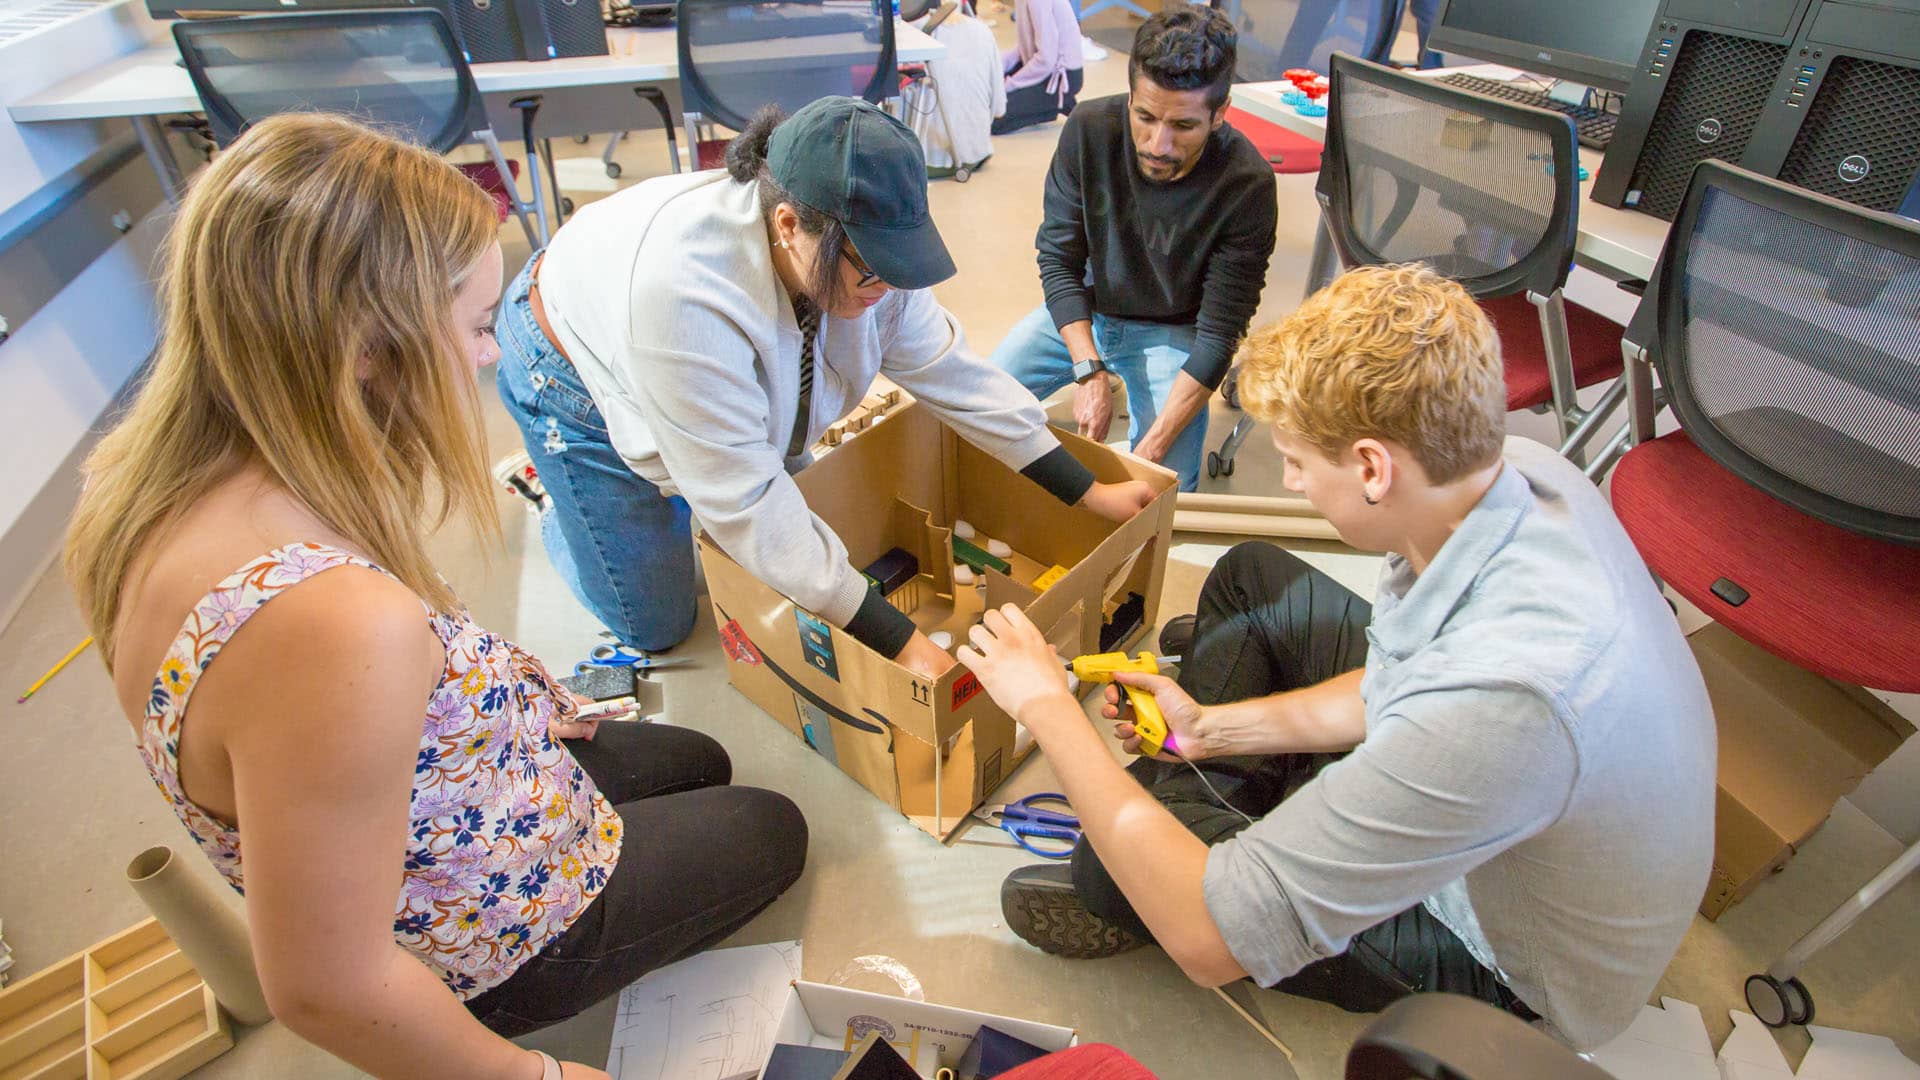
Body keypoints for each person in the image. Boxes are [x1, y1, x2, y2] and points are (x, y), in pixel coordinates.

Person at [64, 113, 808, 1080]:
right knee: (771, 827)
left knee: (699, 758)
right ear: (368, 345)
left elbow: (327, 734)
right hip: (472, 931)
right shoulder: (330, 624)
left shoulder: (149, 481)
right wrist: (530, 1077)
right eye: (469, 324)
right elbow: (325, 985)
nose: (489, 354)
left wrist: (504, 703)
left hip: (434, 804)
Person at [956, 265, 1717, 1050]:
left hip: (1511, 962)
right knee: (1251, 576)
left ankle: (1212, 858)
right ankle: (1246, 819)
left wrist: (1045, 705)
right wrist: (1210, 730)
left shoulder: (1502, 703)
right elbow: (1398, 681)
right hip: (1501, 780)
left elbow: (1202, 938)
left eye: (1295, 460)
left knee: (1122, 873)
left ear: (1371, 468)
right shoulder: (1522, 473)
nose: (1287, 480)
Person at [497, 96, 1153, 673]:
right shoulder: (681, 301)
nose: (887, 290)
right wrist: (910, 651)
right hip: (567, 367)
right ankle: (563, 493)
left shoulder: (860, 257)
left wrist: (1089, 491)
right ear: (788, 226)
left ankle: (664, 475)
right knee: (657, 624)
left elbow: (955, 376)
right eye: (871, 273)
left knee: (811, 540)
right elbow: (750, 502)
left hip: (679, 358)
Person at [989, 4, 1278, 493]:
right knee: (977, 409)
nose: (1158, 144)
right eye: (1145, 116)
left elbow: (1218, 337)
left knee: (1167, 485)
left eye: (1184, 126)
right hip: (1088, 312)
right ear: (1130, 97)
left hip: (1173, 331)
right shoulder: (1088, 130)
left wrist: (1149, 454)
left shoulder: (1245, 184)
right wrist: (1089, 371)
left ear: (1220, 114)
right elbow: (1058, 261)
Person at [992, 0, 1084, 135]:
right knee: (989, 100)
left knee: (994, 120)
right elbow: (1024, 47)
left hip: (1060, 77)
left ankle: (1056, 104)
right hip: (1042, 66)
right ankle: (1050, 101)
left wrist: (1009, 85)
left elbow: (1046, 60)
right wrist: (995, 67)